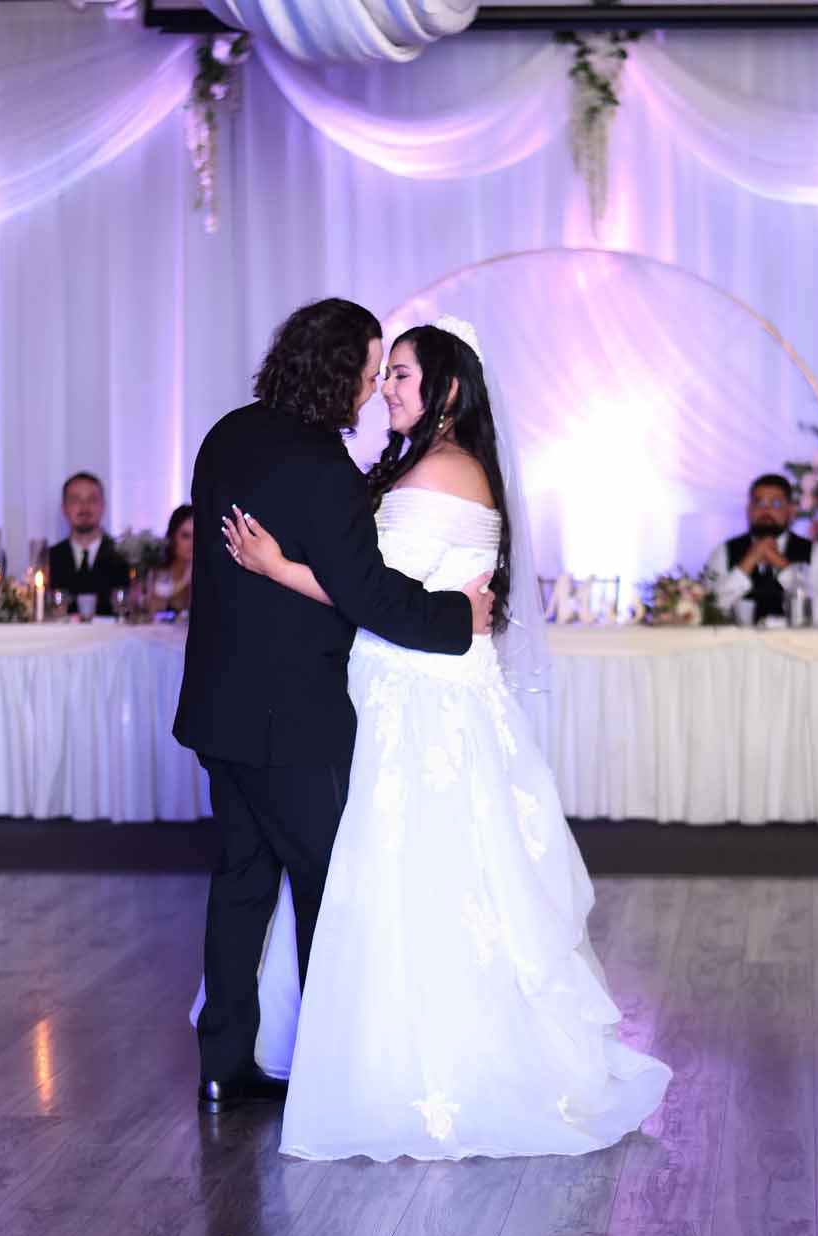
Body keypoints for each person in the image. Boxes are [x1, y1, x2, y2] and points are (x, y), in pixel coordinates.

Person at [219, 315, 671, 1162]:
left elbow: (375, 592)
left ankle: (412, 1069)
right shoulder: (424, 464)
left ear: (448, 390)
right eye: (382, 372)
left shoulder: (445, 469)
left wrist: (280, 567)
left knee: (411, 873)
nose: (384, 388)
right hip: (408, 687)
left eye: (400, 374)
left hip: (422, 700)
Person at [173, 298, 493, 1118]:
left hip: (218, 709)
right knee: (326, 889)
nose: (372, 385)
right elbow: (372, 598)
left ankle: (222, 1064)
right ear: (335, 368)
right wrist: (461, 616)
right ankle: (328, 1073)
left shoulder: (226, 435)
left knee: (240, 881)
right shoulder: (327, 472)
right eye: (368, 366)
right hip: (296, 721)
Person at [705, 474, 818, 622]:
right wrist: (748, 562)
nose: (766, 510)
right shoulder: (723, 551)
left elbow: (817, 613)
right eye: (759, 503)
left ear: (790, 510)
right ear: (748, 509)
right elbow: (710, 609)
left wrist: (782, 565)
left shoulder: (815, 553)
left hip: (799, 644)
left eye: (775, 504)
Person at [46, 473, 130, 614]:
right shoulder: (49, 559)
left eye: (92, 500)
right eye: (75, 500)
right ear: (64, 508)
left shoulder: (124, 556)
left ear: (103, 506)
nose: (84, 508)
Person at [135, 506, 195, 614]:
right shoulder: (155, 566)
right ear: (172, 537)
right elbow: (144, 604)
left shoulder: (202, 572)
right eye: (185, 536)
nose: (192, 543)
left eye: (197, 536)